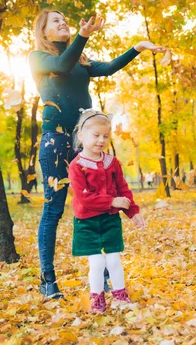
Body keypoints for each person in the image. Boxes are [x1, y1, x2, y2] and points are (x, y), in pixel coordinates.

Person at [29, 10, 164, 299]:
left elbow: (111, 67)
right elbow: (61, 65)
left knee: (97, 203)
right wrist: (84, 35)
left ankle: (102, 275)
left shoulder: (81, 60)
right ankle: (48, 278)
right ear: (43, 30)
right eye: (56, 20)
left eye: (64, 18)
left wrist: (137, 48)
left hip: (84, 142)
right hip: (56, 141)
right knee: (53, 210)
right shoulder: (38, 58)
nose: (63, 21)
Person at [68, 110, 146, 313]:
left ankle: (120, 296)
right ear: (81, 136)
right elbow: (84, 197)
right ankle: (97, 299)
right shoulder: (77, 166)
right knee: (97, 262)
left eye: (105, 136)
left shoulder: (112, 162)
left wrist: (133, 212)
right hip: (87, 222)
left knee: (113, 260)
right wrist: (112, 201)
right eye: (96, 135)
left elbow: (123, 189)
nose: (101, 140)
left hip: (110, 220)